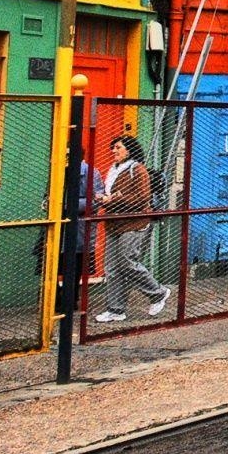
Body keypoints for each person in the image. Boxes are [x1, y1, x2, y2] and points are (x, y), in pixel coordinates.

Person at [94, 136, 170, 323]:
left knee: (127, 261)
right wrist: (104, 197)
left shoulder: (138, 170)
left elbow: (142, 198)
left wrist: (113, 199)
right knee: (111, 268)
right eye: (113, 148)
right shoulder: (113, 170)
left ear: (129, 150)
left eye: (118, 148)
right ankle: (116, 309)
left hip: (134, 223)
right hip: (114, 223)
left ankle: (158, 293)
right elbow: (112, 194)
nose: (114, 151)